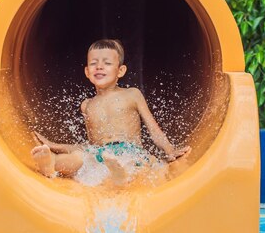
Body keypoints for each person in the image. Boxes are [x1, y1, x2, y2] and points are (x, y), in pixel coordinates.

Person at [31, 38, 190, 184]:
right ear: (87, 72)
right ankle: (50, 163)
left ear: (120, 71)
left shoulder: (132, 94)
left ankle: (119, 176)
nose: (99, 66)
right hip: (100, 156)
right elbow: (89, 146)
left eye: (107, 63)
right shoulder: (87, 105)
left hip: (130, 153)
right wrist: (52, 145)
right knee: (78, 159)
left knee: (156, 169)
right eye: (94, 63)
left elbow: (154, 130)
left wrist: (170, 151)